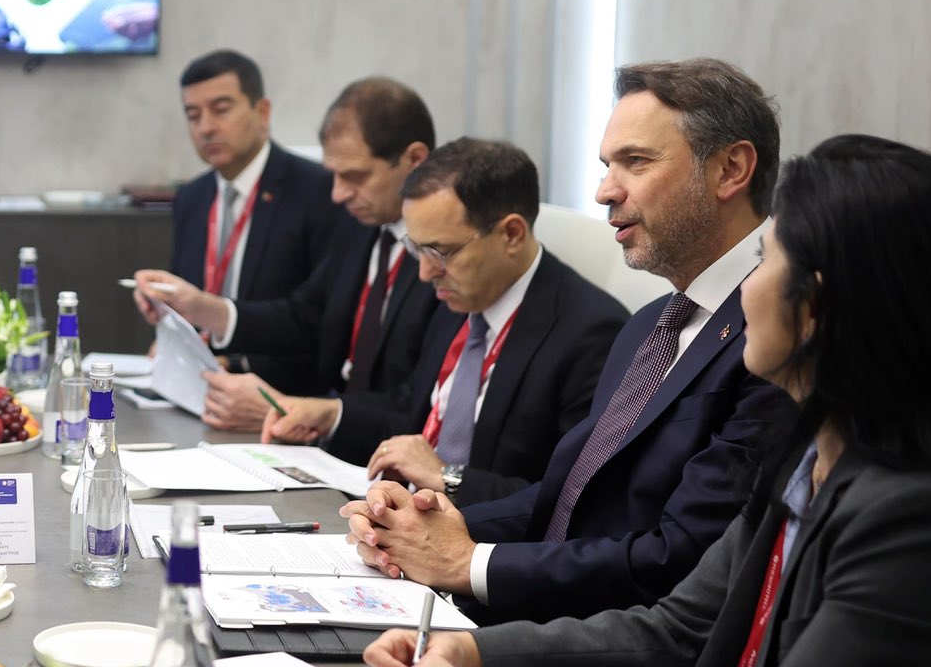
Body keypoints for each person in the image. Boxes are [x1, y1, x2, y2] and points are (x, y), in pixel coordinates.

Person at [364, 134, 931, 667]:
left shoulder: (917, 519)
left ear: (815, 308)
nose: (746, 287)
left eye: (767, 261)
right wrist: (474, 656)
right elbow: (677, 630)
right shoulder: (808, 452)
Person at [346, 59, 792, 628]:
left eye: (635, 162)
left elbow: (682, 557)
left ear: (730, 169)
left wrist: (469, 563)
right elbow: (572, 496)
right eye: (607, 166)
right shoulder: (650, 324)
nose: (605, 191)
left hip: (616, 654)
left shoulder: (779, 338)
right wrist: (420, 522)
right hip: (541, 615)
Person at [285, 139, 627, 497]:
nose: (425, 273)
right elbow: (415, 410)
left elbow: (572, 498)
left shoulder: (592, 335)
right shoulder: (461, 297)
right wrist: (331, 416)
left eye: (440, 251)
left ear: (511, 234)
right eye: (417, 249)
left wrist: (447, 478)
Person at [135, 76, 439, 434]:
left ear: (415, 160)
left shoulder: (444, 254)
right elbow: (304, 317)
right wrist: (203, 308)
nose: (338, 194)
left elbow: (420, 401)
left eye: (355, 176)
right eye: (334, 176)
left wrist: (309, 413)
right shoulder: (363, 227)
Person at [150, 49, 347, 394]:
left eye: (221, 109)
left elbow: (318, 324)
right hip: (195, 388)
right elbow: (190, 305)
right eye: (193, 116)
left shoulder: (318, 191)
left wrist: (235, 365)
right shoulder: (191, 198)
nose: (206, 128)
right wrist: (165, 315)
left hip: (281, 395)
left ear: (262, 112)